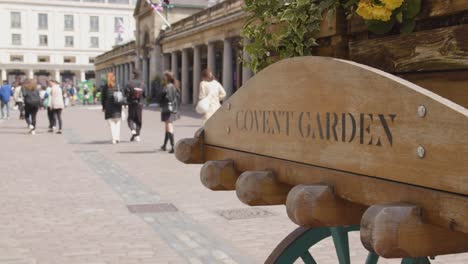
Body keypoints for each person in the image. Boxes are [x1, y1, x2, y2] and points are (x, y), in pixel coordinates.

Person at [159, 71, 180, 153]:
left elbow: (162, 97)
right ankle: (164, 145)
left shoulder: (167, 87)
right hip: (173, 108)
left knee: (169, 126)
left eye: (164, 77)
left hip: (167, 108)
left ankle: (173, 146)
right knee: (167, 126)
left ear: (167, 78)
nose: (163, 78)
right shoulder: (175, 86)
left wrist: (160, 99)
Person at [125, 70, 146, 142]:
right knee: (138, 120)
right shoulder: (142, 83)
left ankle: (133, 130)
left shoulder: (129, 83)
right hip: (140, 104)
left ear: (133, 75)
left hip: (131, 103)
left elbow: (126, 94)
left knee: (130, 118)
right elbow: (144, 95)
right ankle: (137, 136)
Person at [101, 72, 123, 144]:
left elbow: (103, 99)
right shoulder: (118, 86)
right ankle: (118, 138)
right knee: (118, 123)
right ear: (114, 78)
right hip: (117, 107)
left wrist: (103, 107)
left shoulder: (105, 87)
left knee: (111, 124)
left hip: (108, 108)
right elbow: (121, 97)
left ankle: (114, 139)